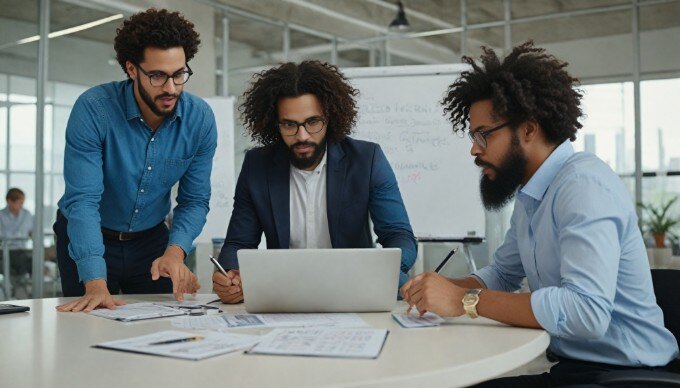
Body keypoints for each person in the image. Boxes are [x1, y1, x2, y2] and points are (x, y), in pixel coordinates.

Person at [401, 42, 679, 386]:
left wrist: (463, 300)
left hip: (626, 374)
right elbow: (503, 273)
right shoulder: (533, 194)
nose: (474, 149)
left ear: (529, 129)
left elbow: (586, 312)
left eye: (483, 135)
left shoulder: (583, 186)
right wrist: (436, 288)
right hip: (573, 365)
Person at [213, 61, 417, 304]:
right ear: (274, 123)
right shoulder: (257, 165)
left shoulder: (367, 159)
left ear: (329, 118)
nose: (302, 135)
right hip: (282, 297)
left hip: (354, 293)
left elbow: (398, 234)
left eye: (312, 122)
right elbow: (238, 242)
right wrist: (231, 275)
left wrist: (386, 270)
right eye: (289, 124)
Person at [55, 9, 217, 313]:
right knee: (87, 326)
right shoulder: (94, 110)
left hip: (151, 242)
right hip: (88, 233)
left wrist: (175, 252)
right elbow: (83, 201)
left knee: (158, 325)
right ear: (132, 69)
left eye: (179, 74)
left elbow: (194, 200)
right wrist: (94, 280)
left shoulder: (200, 120)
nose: (171, 88)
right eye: (157, 76)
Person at [0, 188, 33, 277]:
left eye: (22, 203)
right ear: (9, 201)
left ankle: (19, 284)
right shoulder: (1, 215)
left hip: (22, 251)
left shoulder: (27, 214)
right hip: (5, 252)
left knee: (32, 262)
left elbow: (32, 232)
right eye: (20, 203)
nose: (21, 205)